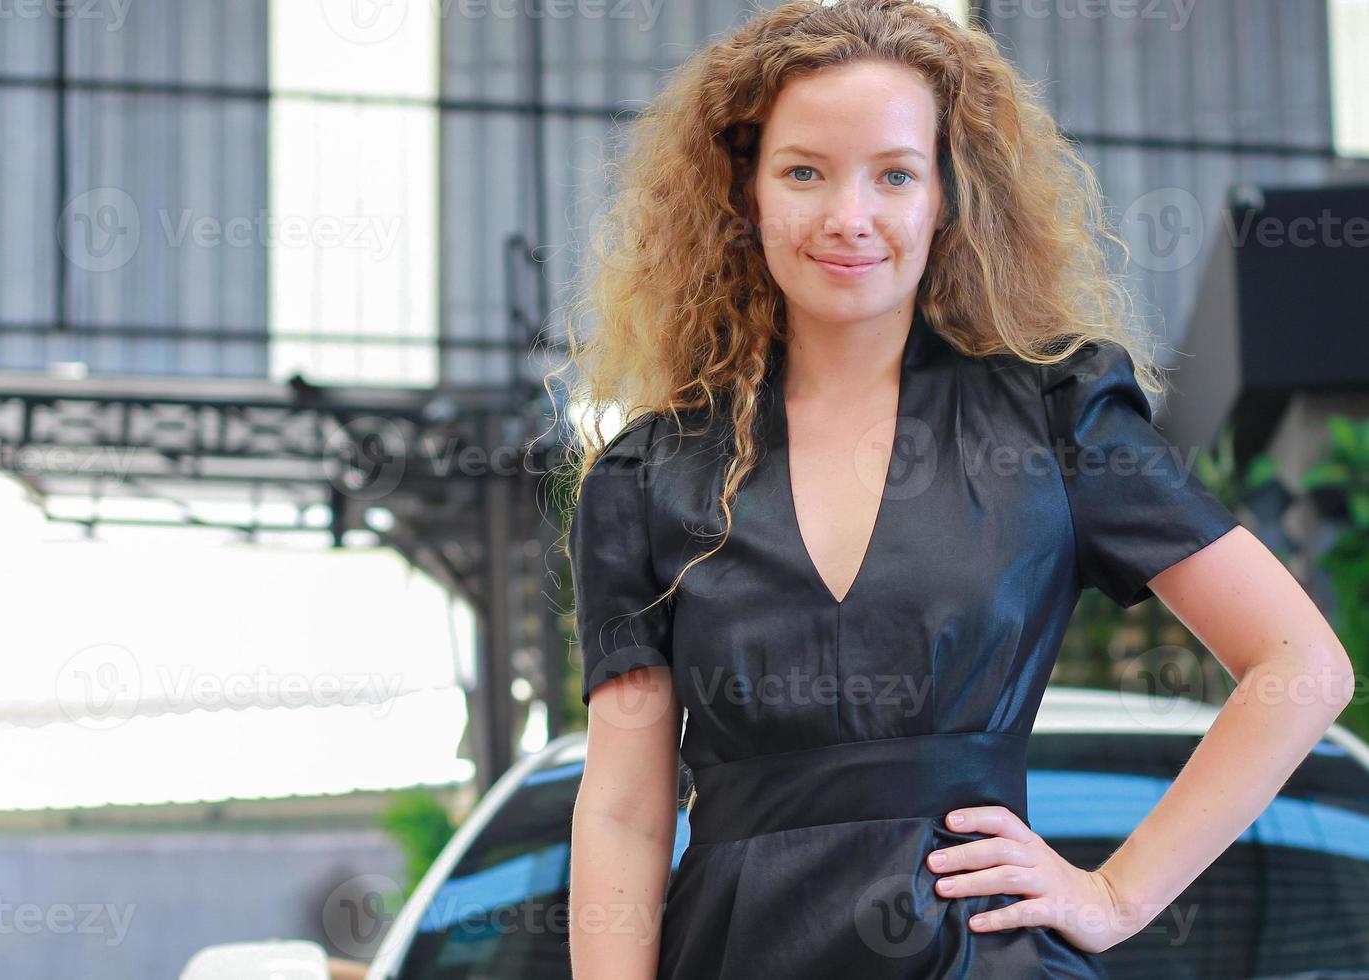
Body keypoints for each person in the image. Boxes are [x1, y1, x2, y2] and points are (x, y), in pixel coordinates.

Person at [554, 2, 1355, 978]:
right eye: (804, 171)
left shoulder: (1055, 419)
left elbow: (1300, 663)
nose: (850, 216)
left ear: (947, 195)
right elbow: (625, 810)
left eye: (894, 173)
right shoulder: (643, 477)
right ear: (743, 194)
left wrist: (1114, 891)